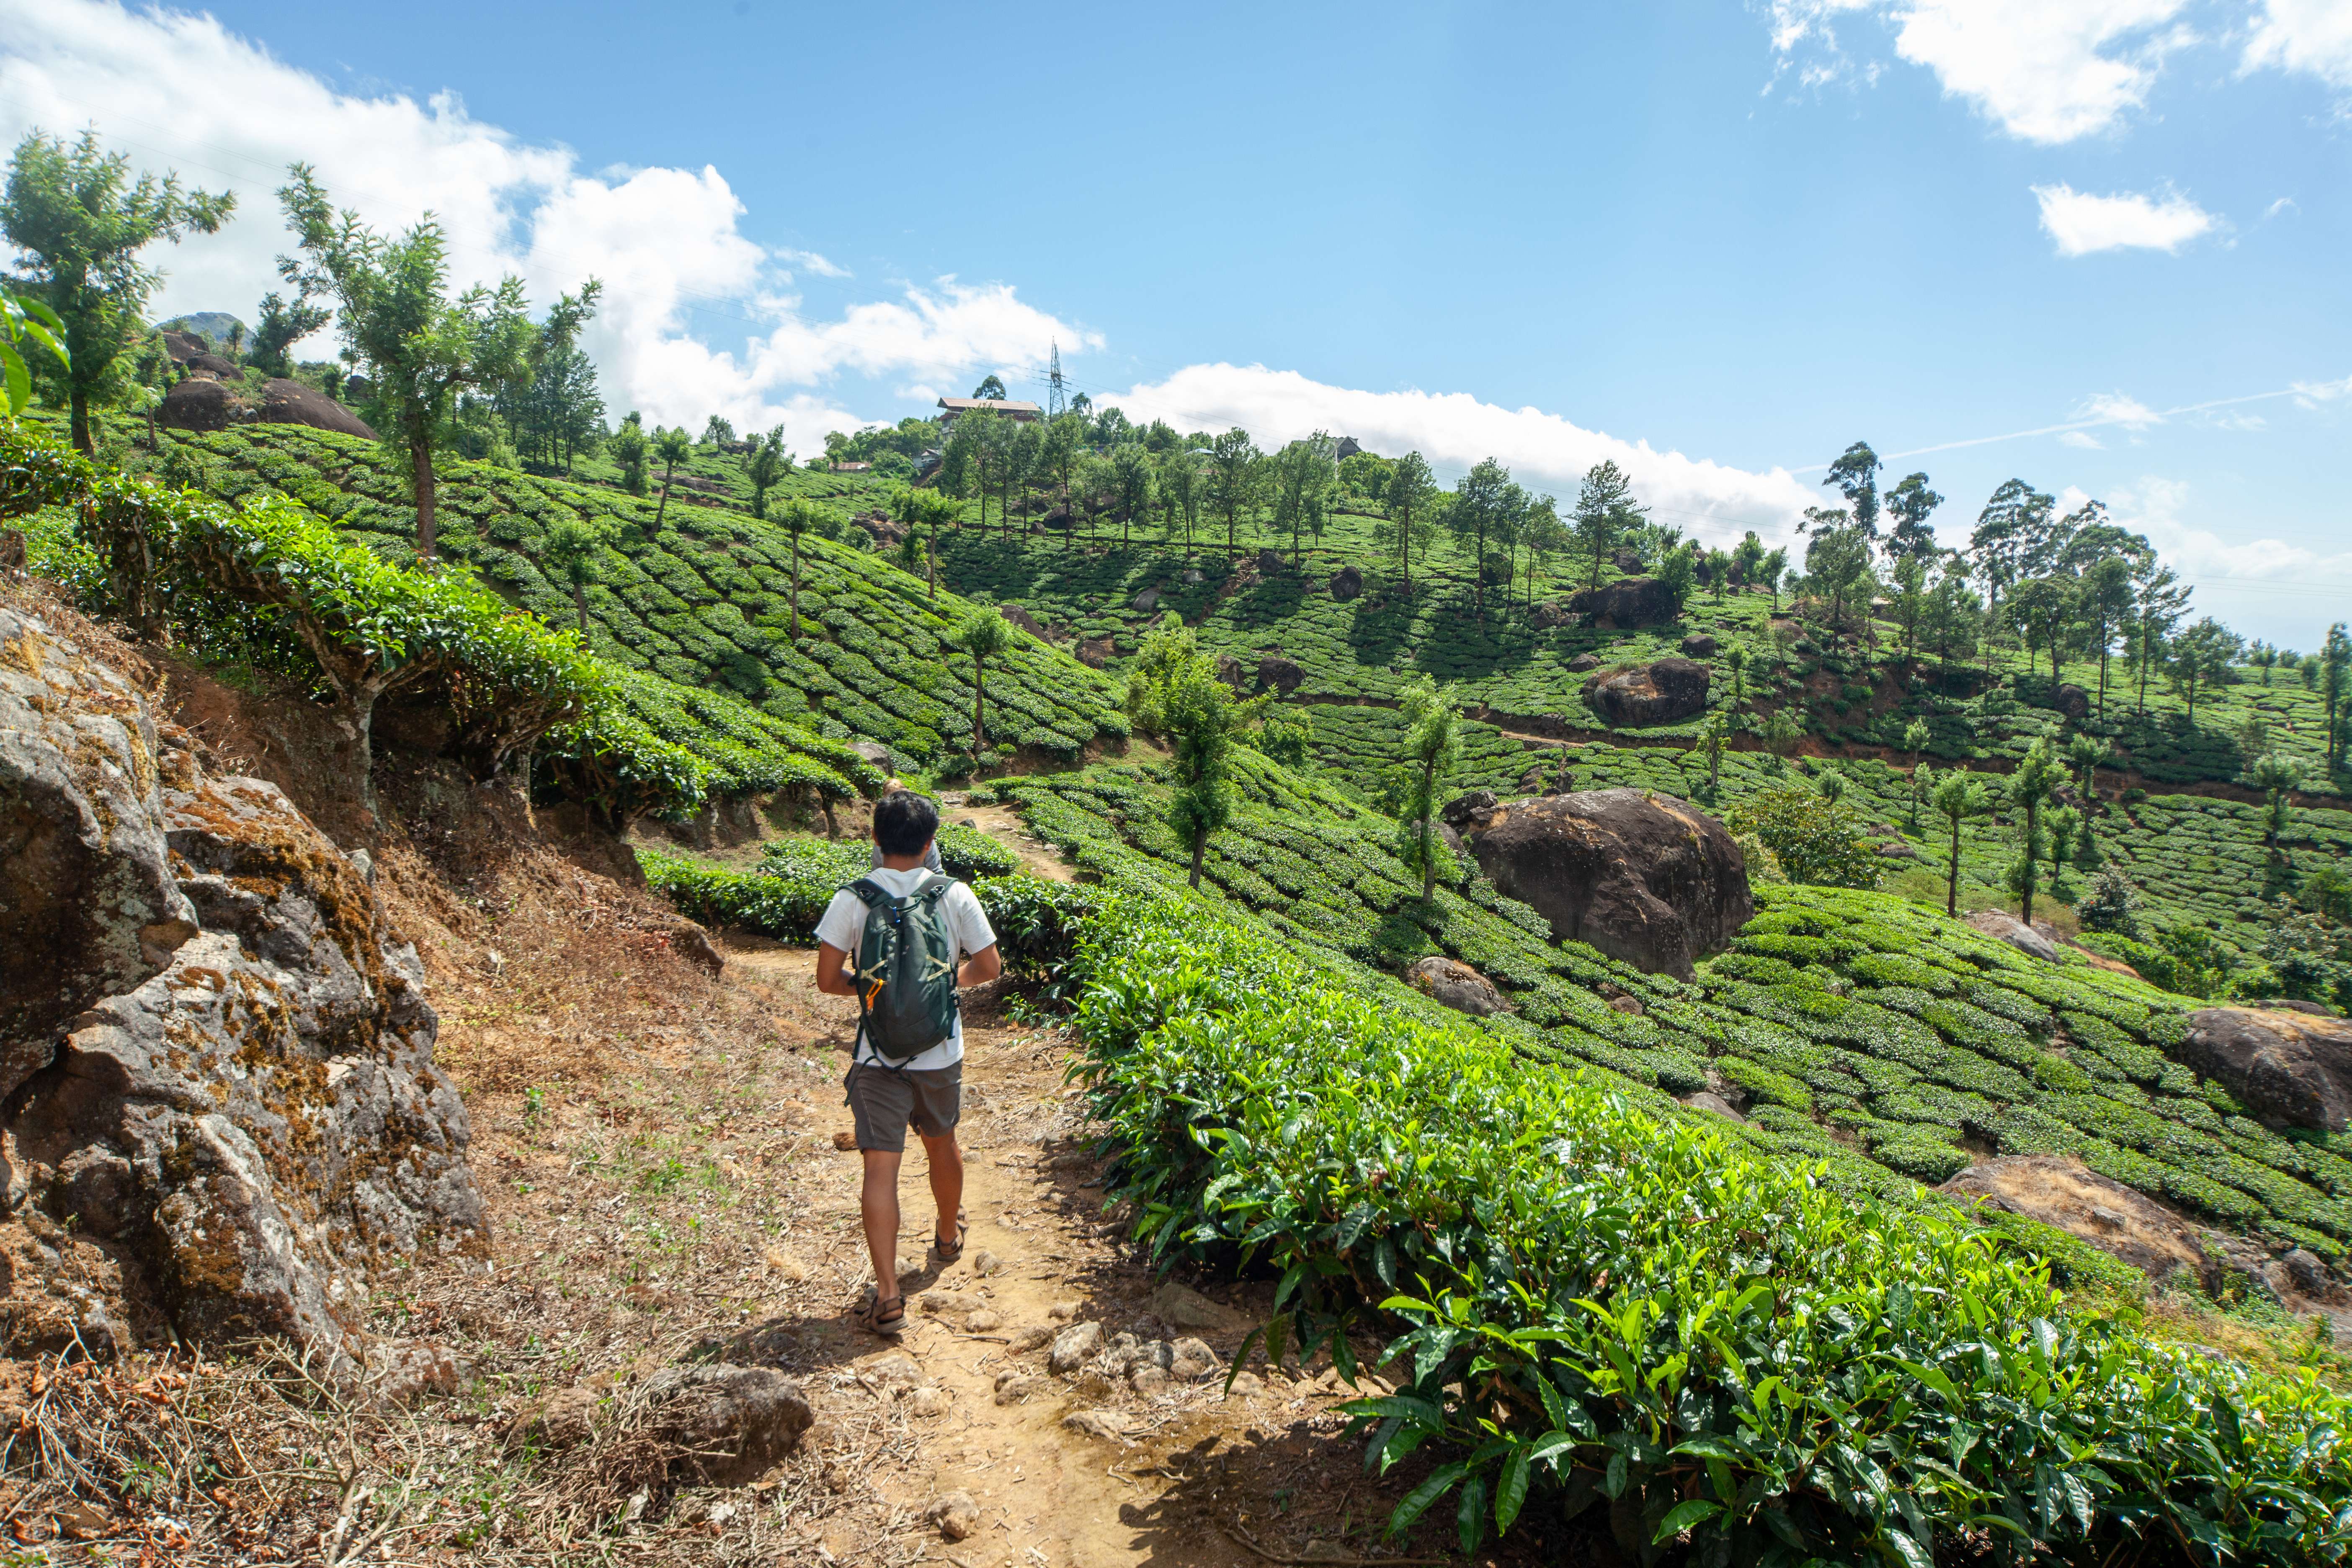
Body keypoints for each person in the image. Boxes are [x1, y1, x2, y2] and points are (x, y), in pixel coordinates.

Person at [814, 790, 999, 1336]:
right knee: (941, 1142)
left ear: (874, 839)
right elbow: (989, 966)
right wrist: (946, 987)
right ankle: (947, 1234)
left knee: (879, 1167)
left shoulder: (852, 898)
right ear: (930, 843)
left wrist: (876, 993)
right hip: (941, 1051)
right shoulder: (955, 894)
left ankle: (889, 1297)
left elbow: (827, 980)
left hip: (877, 1056)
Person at [872, 779, 942, 872]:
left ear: (875, 837)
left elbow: (876, 871)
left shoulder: (882, 835)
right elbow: (937, 871)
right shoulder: (923, 833)